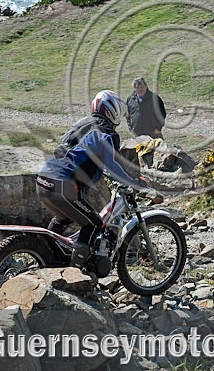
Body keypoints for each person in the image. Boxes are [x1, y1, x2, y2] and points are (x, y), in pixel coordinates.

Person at [36, 90, 145, 269]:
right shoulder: (106, 132)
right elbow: (111, 163)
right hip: (64, 185)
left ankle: (46, 254)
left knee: (62, 219)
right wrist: (132, 181)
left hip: (43, 180)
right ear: (114, 110)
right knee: (94, 224)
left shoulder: (81, 124)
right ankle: (76, 274)